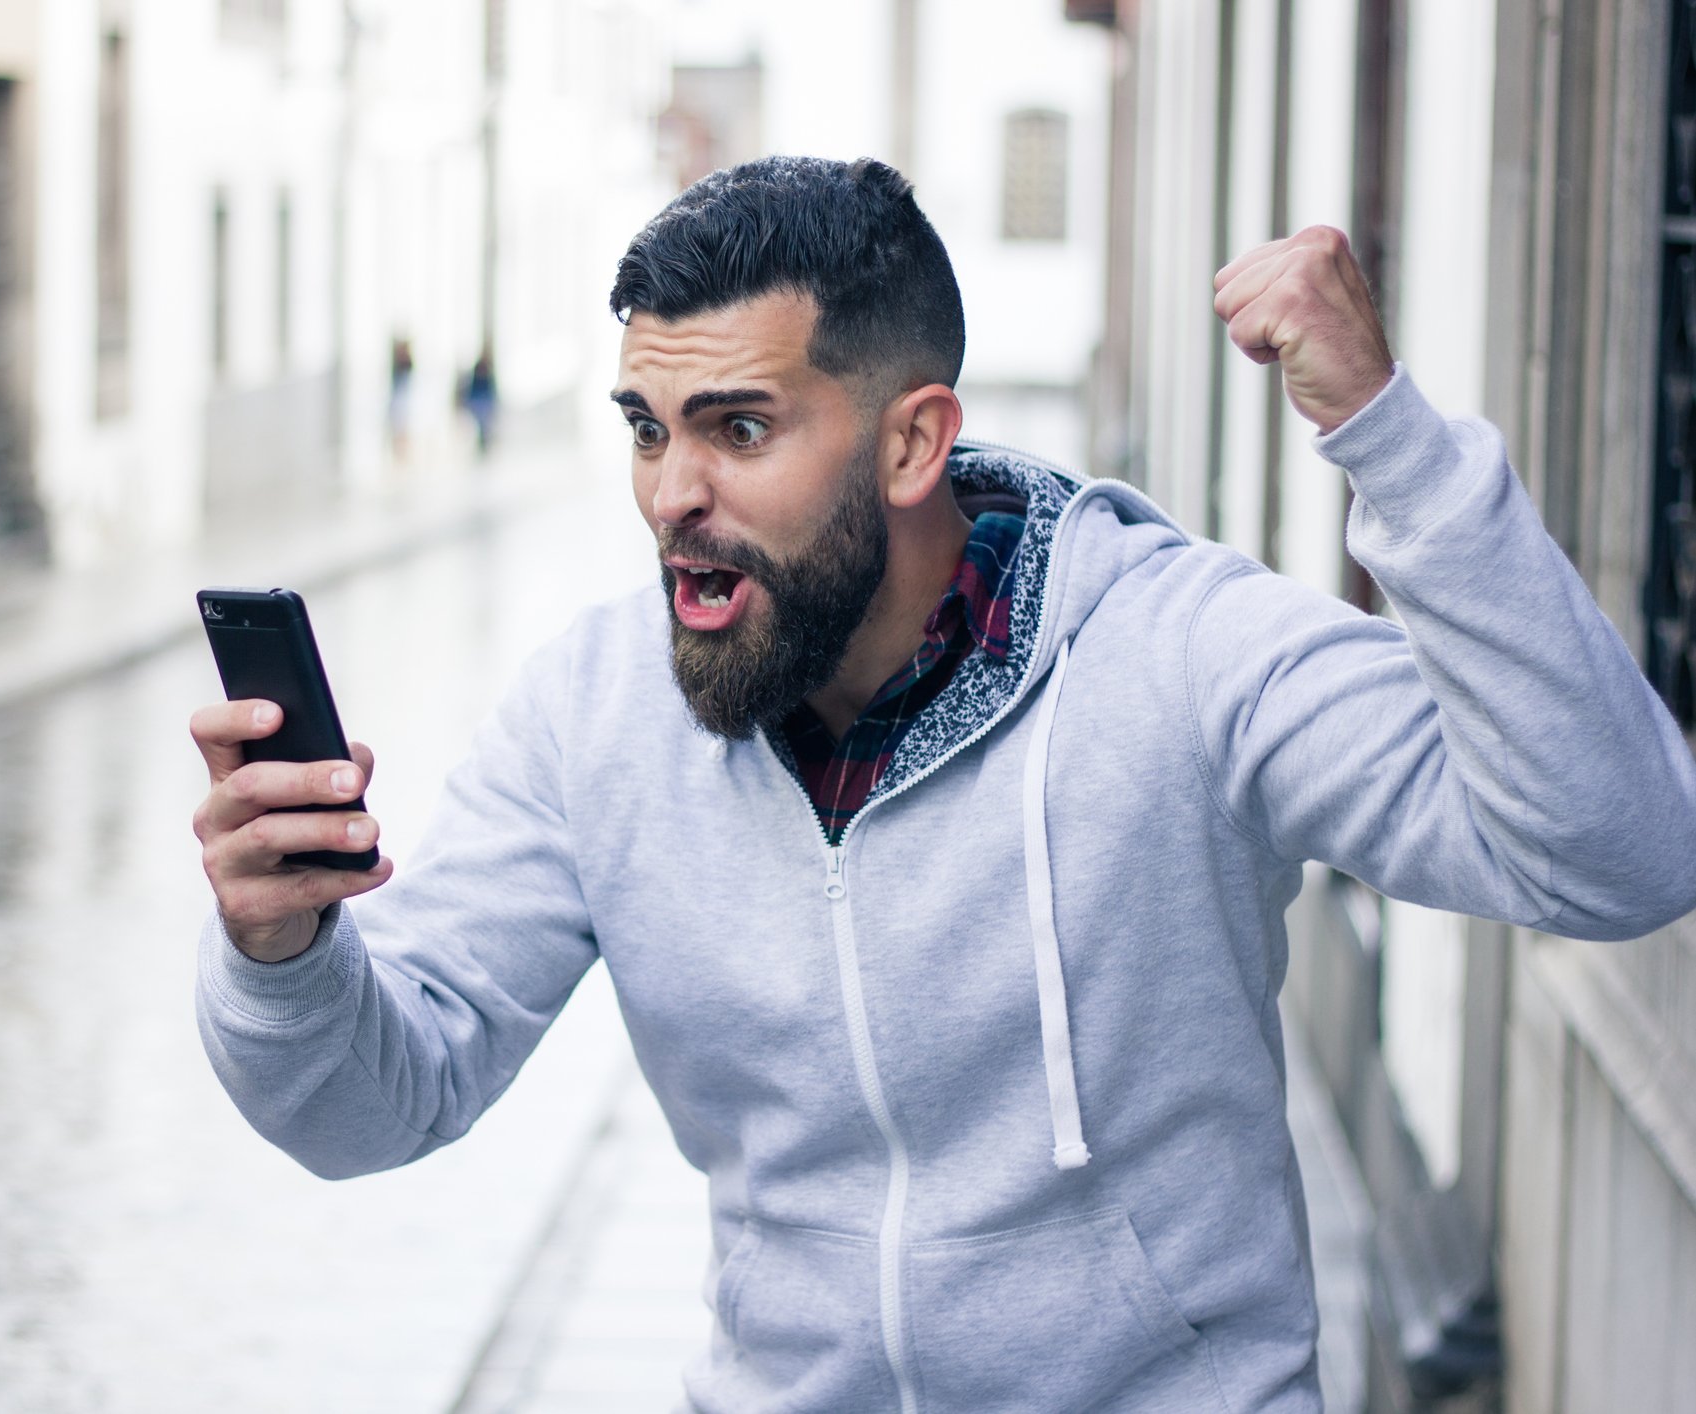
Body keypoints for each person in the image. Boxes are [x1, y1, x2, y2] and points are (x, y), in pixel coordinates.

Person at [188, 157, 1696, 1411]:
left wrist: (1397, 452)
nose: (669, 496)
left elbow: (1618, 849)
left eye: (739, 428)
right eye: (647, 430)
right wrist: (283, 953)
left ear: (913, 440)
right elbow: (371, 1104)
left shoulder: (1176, 655)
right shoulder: (595, 713)